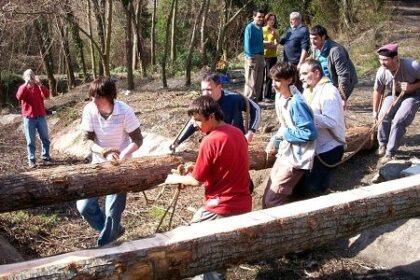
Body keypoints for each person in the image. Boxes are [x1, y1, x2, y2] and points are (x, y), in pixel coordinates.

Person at [165, 95, 252, 280]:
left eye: (198, 120)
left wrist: (172, 178)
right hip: (243, 204)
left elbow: (196, 181)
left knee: (195, 244)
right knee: (219, 251)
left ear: (211, 116)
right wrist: (194, 167)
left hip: (221, 207)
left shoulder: (209, 140)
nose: (195, 125)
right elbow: (223, 165)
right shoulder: (237, 133)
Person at [77, 77, 143, 247]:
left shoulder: (124, 111)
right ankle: (113, 231)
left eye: (98, 97)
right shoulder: (89, 110)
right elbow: (86, 140)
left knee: (112, 213)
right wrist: (103, 152)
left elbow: (138, 140)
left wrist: (123, 155)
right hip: (98, 163)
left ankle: (104, 248)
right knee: (84, 206)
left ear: (110, 96)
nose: (94, 101)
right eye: (92, 97)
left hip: (120, 166)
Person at [262, 62, 317, 208]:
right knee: (267, 195)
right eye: (273, 80)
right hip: (286, 153)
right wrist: (275, 140)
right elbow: (285, 125)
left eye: (278, 80)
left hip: (296, 158)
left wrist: (284, 135)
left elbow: (309, 133)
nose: (274, 84)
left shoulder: (296, 103)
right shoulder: (281, 97)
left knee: (273, 200)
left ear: (289, 80)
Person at [170, 73, 261, 150]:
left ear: (219, 87)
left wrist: (251, 132)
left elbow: (256, 109)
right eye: (203, 90)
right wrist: (177, 142)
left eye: (209, 90)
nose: (205, 93)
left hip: (237, 143)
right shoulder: (203, 103)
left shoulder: (234, 98)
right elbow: (193, 123)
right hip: (215, 144)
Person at [298, 59, 346, 195]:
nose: (301, 78)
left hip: (330, 147)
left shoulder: (329, 92)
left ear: (317, 73)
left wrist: (307, 116)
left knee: (312, 189)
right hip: (313, 147)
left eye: (305, 73)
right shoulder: (308, 89)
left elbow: (331, 122)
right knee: (297, 187)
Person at [372, 43, 420, 163]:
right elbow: (378, 91)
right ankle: (382, 144)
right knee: (383, 116)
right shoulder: (382, 72)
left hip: (413, 95)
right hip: (394, 94)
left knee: (399, 120)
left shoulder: (412, 66)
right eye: (380, 59)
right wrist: (375, 111)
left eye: (385, 60)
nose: (382, 63)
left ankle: (390, 152)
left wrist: (412, 86)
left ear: (396, 58)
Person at [309, 25, 358, 102]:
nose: (312, 42)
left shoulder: (336, 51)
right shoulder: (315, 48)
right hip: (327, 84)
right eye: (311, 39)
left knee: (334, 107)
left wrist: (342, 97)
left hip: (341, 83)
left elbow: (343, 75)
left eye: (315, 38)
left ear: (323, 37)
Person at [16, 69, 51, 168]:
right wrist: (26, 84)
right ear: (24, 77)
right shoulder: (23, 88)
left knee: (45, 138)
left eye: (31, 74)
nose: (30, 76)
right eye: (28, 75)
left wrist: (40, 85)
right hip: (28, 118)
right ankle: (31, 160)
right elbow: (19, 97)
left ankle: (46, 157)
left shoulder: (38, 87)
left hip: (40, 116)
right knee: (30, 140)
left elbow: (47, 95)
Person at [243, 9, 266, 102]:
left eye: (262, 17)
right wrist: (250, 57)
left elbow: (260, 43)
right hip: (252, 57)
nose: (261, 18)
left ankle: (255, 103)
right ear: (254, 17)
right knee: (250, 81)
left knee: (259, 81)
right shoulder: (250, 27)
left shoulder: (260, 28)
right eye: (259, 16)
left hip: (260, 57)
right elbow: (247, 44)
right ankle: (247, 103)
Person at [262, 12, 280, 102]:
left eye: (273, 19)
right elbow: (261, 43)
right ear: (266, 20)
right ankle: (258, 96)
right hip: (263, 56)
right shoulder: (262, 29)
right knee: (261, 76)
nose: (272, 21)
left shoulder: (276, 30)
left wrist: (274, 35)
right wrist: (270, 44)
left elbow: (277, 43)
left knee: (270, 76)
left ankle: (267, 95)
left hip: (272, 56)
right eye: (270, 19)